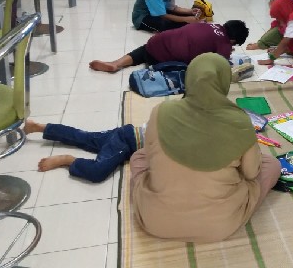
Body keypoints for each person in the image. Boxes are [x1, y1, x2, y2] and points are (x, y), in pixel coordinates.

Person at [130, 53, 280, 242]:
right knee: (271, 165)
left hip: (155, 221)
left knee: (138, 157)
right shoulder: (240, 121)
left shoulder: (161, 111)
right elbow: (251, 173)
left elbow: (151, 156)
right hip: (220, 226)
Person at [89, 20, 249, 73]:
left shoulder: (210, 24)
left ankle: (116, 63)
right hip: (164, 59)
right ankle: (153, 70)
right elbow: (220, 66)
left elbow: (206, 40)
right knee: (192, 68)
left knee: (144, 50)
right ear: (233, 40)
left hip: (156, 42)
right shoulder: (224, 44)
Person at [25, 119, 144, 183]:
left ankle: (40, 127)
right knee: (97, 172)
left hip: (128, 131)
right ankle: (68, 160)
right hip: (126, 142)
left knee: (84, 137)